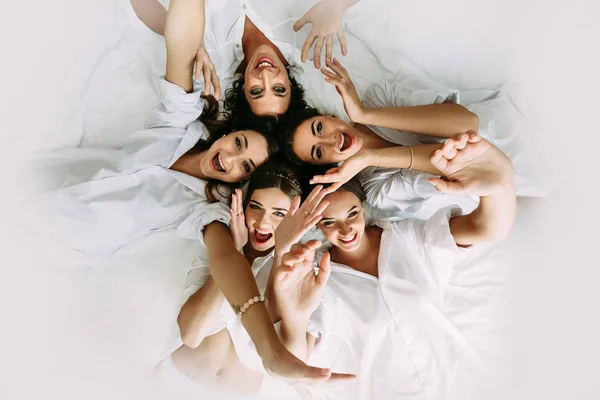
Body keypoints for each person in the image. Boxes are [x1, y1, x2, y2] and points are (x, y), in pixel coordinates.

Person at [270, 132, 517, 399]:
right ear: (317, 226)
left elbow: (486, 229)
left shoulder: (409, 238)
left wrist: (500, 184)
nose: (346, 229)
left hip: (462, 383)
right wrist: (294, 317)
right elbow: (296, 363)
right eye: (329, 222)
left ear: (363, 208)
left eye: (352, 213)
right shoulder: (318, 280)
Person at [159, 161, 347, 395]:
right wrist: (238, 252)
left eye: (279, 213)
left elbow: (290, 356)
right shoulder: (221, 229)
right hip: (175, 386)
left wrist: (281, 252)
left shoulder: (299, 264)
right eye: (256, 207)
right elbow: (191, 335)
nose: (263, 222)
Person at [280, 57, 486, 210]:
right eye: (318, 152)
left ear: (327, 116)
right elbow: (460, 165)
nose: (330, 140)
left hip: (502, 120)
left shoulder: (379, 98)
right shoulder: (377, 190)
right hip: (497, 177)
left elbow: (469, 123)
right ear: (327, 167)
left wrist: (363, 114)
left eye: (319, 128)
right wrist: (369, 157)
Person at [130, 0, 361, 119]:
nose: (265, 76)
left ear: (242, 89)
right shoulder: (309, 36)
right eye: (279, 89)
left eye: (256, 91)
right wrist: (337, 5)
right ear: (291, 84)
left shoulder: (211, 50)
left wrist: (186, 40)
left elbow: (142, 4)